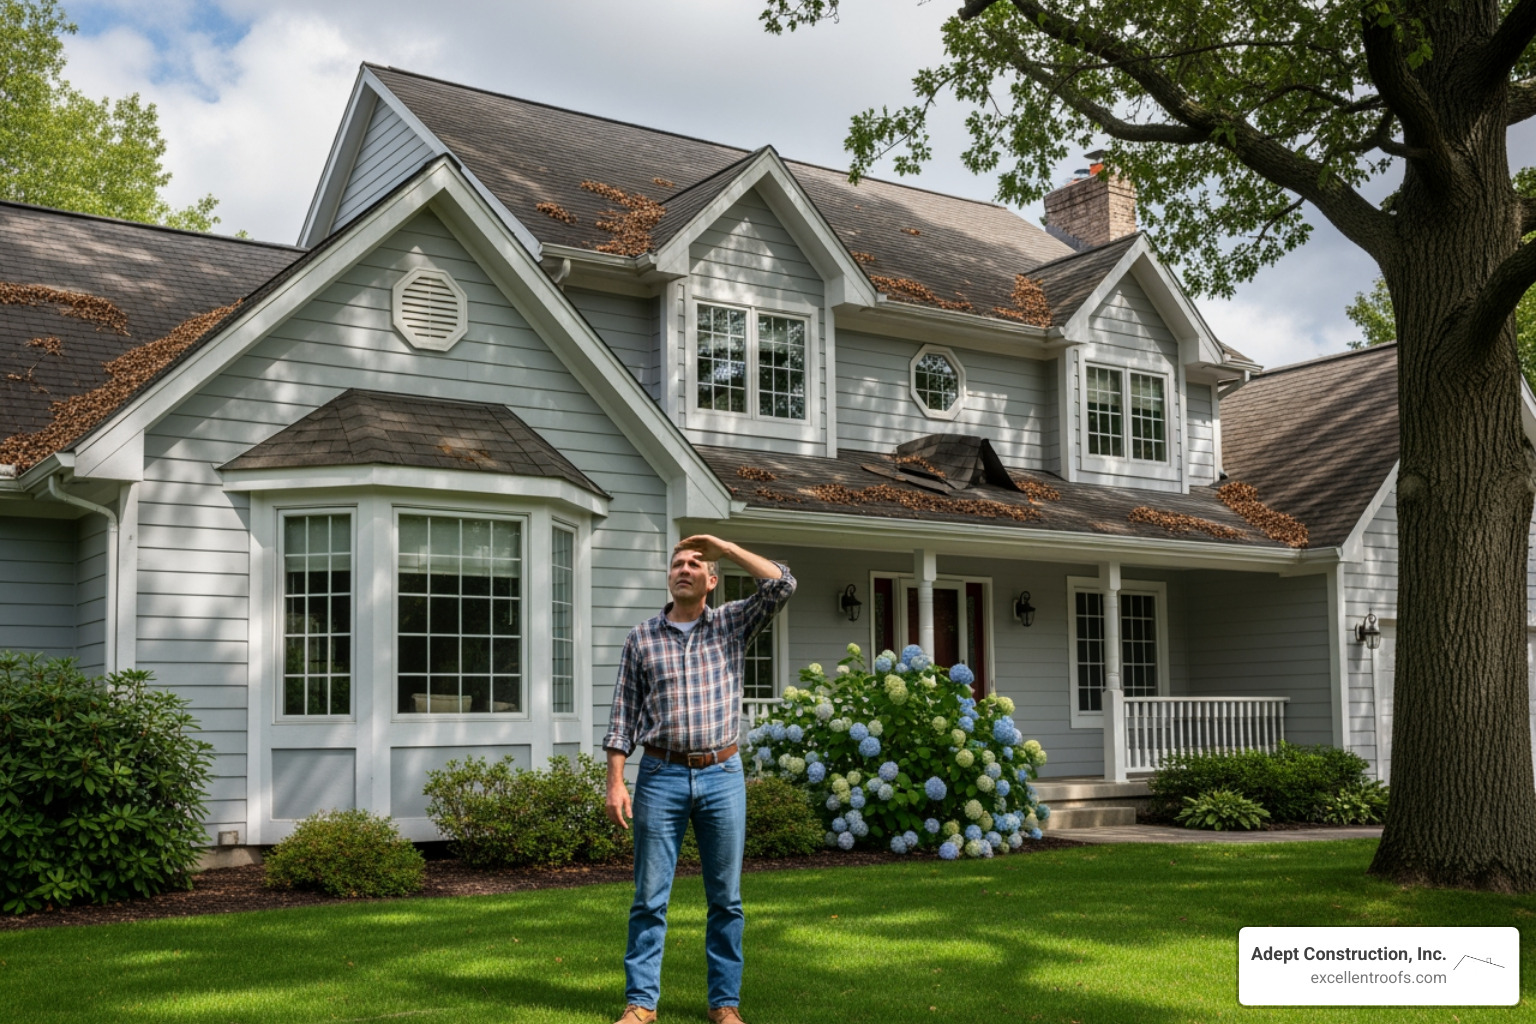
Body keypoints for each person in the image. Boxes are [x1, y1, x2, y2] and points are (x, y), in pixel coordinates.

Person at [602, 535, 796, 1024]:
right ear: (669, 577)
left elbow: (782, 585)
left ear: (711, 581)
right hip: (660, 774)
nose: (684, 568)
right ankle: (641, 1003)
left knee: (726, 900)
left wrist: (724, 547)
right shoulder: (641, 637)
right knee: (649, 897)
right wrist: (615, 781)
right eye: (677, 564)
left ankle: (724, 1005)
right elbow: (622, 716)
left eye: (695, 563)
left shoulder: (732, 622)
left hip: (722, 775)